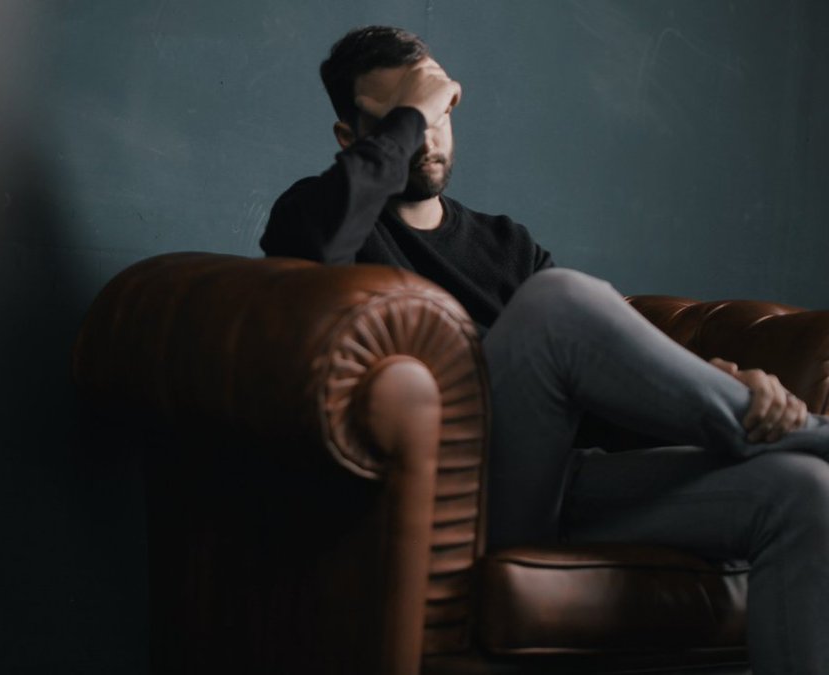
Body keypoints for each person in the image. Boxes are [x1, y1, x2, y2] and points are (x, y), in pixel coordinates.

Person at [261, 25, 829, 674]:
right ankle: (808, 433)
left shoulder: (507, 244)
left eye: (440, 110)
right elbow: (310, 254)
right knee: (556, 302)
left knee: (805, 491)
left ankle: (784, 436)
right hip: (461, 503)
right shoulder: (317, 216)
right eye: (404, 117)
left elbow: (595, 393)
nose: (428, 135)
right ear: (351, 137)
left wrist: (706, 383)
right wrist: (413, 113)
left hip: (561, 486)